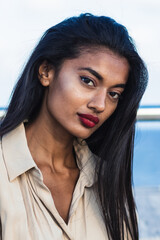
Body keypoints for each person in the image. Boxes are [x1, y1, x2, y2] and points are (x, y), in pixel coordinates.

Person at [0, 13, 148, 240]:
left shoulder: (108, 184)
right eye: (88, 81)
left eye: (114, 94)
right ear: (46, 72)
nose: (100, 105)